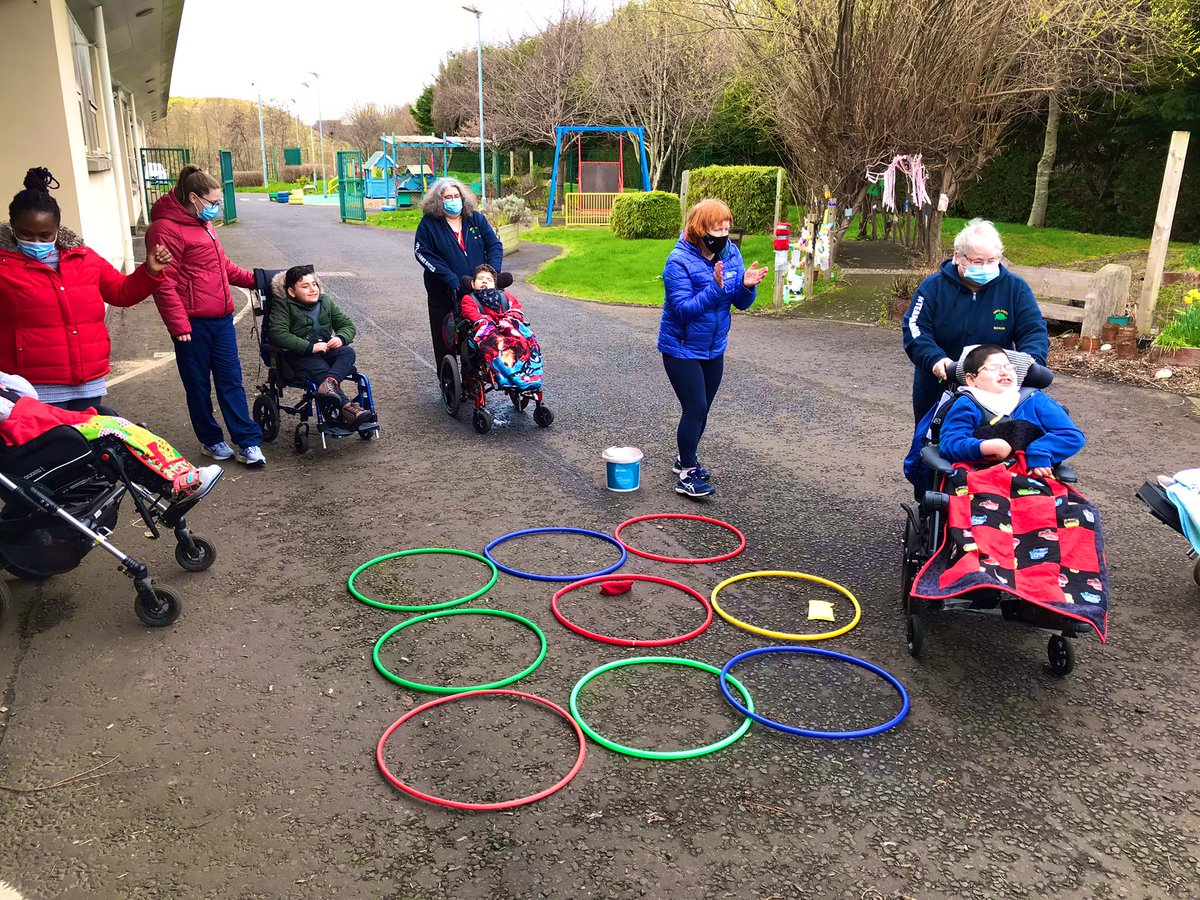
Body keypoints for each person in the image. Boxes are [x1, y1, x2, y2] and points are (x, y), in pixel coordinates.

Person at [0, 167, 172, 413]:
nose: (36, 242)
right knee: (51, 451)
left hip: (88, 384)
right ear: (12, 228)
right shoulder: (4, 267)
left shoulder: (83, 258)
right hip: (33, 390)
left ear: (57, 230)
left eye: (45, 235)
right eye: (26, 235)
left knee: (87, 449)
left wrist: (150, 271)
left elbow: (121, 292)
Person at [145, 165, 266, 467]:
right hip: (192, 324)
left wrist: (259, 280)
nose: (217, 208)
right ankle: (211, 440)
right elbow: (163, 281)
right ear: (194, 198)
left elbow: (222, 267)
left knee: (231, 381)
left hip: (221, 319)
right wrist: (178, 324)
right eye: (213, 202)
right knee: (198, 384)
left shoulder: (204, 224)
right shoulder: (164, 230)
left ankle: (248, 442)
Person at [659, 199, 767, 498]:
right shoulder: (678, 261)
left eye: (727, 227)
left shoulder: (731, 253)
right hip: (681, 348)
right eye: (717, 228)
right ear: (699, 229)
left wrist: (746, 285)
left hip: (714, 346)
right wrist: (716, 288)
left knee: (704, 409)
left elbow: (741, 303)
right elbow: (683, 310)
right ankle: (687, 474)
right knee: (695, 408)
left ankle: (685, 457)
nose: (723, 234)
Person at [902, 218, 1049, 424]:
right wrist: (935, 359)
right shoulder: (932, 287)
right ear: (957, 257)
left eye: (992, 261)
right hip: (939, 382)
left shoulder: (1015, 289)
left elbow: (1033, 331)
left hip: (994, 386)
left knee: (990, 446)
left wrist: (1030, 365)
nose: (985, 267)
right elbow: (915, 328)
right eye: (977, 262)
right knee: (930, 444)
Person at [0, 371, 222, 504]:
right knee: (112, 435)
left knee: (121, 425)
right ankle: (171, 488)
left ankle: (181, 473)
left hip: (43, 417)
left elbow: (29, 393)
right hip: (30, 429)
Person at [938, 344, 1085, 479]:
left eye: (1009, 367)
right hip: (980, 477)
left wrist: (1040, 452)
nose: (1003, 372)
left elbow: (1071, 435)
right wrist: (987, 446)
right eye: (993, 368)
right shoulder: (968, 403)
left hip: (1033, 477)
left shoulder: (1035, 399)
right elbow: (950, 443)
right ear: (971, 379)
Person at [267, 265, 374, 427]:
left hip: (325, 350)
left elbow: (347, 326)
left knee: (347, 352)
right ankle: (348, 409)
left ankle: (329, 385)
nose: (312, 289)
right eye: (305, 286)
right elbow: (277, 334)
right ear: (291, 292)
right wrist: (310, 347)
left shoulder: (325, 302)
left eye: (314, 284)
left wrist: (340, 337)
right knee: (320, 368)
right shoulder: (283, 306)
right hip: (299, 356)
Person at [413, 178, 502, 367]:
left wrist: (491, 274)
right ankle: (448, 379)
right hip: (444, 292)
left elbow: (494, 245)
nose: (453, 200)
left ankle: (475, 376)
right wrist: (449, 278)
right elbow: (422, 252)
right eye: (448, 197)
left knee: (479, 331)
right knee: (445, 337)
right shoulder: (429, 224)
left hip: (477, 291)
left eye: (456, 196)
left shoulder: (476, 219)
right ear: (439, 201)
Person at [460, 264, 543, 389]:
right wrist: (488, 322)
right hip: (487, 331)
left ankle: (531, 375)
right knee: (497, 341)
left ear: (495, 284)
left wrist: (508, 319)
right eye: (480, 279)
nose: (484, 281)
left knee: (528, 338)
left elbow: (516, 307)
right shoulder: (469, 299)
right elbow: (471, 313)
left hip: (507, 328)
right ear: (473, 284)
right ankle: (509, 376)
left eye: (489, 279)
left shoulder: (504, 297)